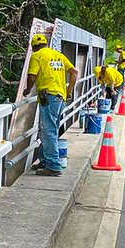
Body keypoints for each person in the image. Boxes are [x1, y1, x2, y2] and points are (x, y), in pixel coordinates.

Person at [25, 33, 78, 177]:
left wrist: (27, 90)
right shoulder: (58, 55)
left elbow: (32, 76)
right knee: (47, 129)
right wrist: (69, 91)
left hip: (48, 97)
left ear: (34, 47)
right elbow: (74, 72)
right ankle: (45, 161)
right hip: (60, 97)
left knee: (49, 131)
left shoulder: (37, 55)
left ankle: (54, 166)